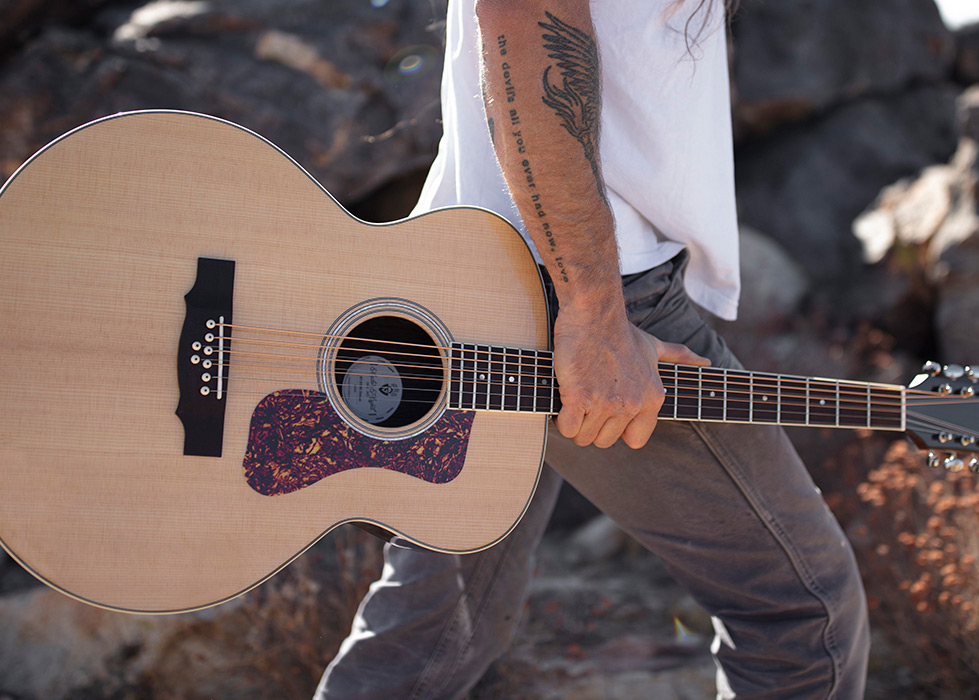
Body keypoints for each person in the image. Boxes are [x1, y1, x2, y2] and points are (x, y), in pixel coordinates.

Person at [316, 0, 869, 697]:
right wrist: (595, 313)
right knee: (804, 616)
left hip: (479, 278)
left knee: (432, 636)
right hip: (592, 287)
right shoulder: (594, 305)